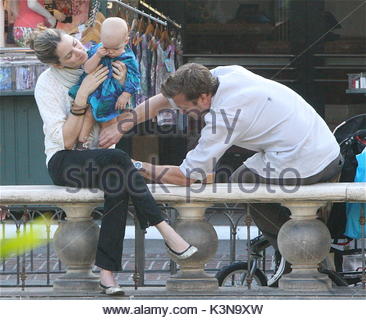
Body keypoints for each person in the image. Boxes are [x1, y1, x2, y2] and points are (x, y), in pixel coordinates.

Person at [99, 63, 344, 250]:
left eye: (184, 109)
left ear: (204, 98)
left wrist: (133, 165)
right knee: (237, 175)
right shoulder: (222, 75)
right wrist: (120, 126)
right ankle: (292, 234)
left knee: (242, 183)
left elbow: (186, 177)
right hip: (323, 148)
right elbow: (163, 101)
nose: (183, 113)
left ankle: (298, 246)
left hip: (309, 160)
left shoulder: (224, 117)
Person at [29, 29, 197, 296]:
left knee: (118, 183)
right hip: (65, 162)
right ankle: (165, 229)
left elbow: (111, 124)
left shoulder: (102, 58)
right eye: (69, 54)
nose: (79, 52)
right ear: (56, 64)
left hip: (104, 159)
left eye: (75, 43)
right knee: (119, 160)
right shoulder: (47, 84)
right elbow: (67, 141)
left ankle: (107, 275)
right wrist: (81, 96)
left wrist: (122, 91)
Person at [69, 17, 140, 149]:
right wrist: (98, 56)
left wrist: (125, 94)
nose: (111, 52)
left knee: (108, 120)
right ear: (101, 39)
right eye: (107, 48)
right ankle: (81, 143)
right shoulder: (97, 50)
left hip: (111, 95)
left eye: (116, 49)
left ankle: (105, 148)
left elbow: (135, 79)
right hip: (96, 90)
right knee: (89, 113)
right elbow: (87, 69)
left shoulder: (129, 58)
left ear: (126, 41)